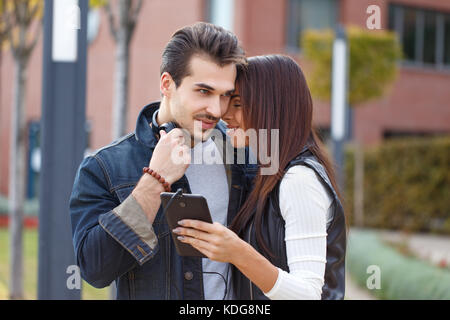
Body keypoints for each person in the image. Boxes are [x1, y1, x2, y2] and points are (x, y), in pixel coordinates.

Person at [69, 22, 248, 299]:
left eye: (225, 95)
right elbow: (95, 269)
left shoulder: (243, 155)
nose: (216, 109)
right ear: (167, 84)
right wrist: (155, 181)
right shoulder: (105, 168)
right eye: (203, 91)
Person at [173, 54, 347, 300]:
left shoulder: (299, 180)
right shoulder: (269, 172)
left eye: (238, 104)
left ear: (271, 107)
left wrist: (237, 252)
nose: (224, 114)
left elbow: (309, 294)